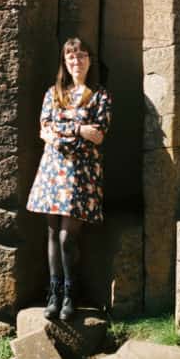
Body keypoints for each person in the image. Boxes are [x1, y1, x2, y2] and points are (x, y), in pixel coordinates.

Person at [26, 37, 112, 322]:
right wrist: (78, 129)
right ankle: (54, 294)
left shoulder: (100, 95)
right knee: (51, 232)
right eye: (71, 56)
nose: (77, 61)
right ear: (65, 62)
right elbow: (45, 131)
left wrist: (64, 131)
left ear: (90, 60)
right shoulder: (53, 93)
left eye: (82, 55)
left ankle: (70, 293)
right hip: (53, 170)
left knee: (66, 236)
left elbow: (98, 135)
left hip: (80, 175)